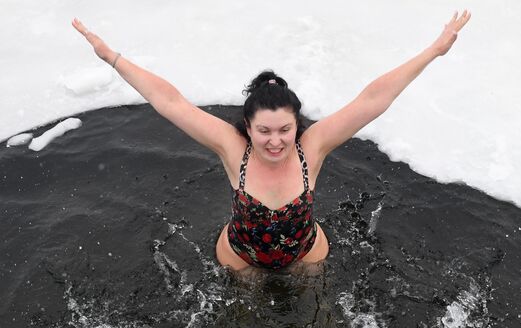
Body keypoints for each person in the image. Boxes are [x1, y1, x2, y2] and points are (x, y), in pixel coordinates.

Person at [72, 11, 471, 271]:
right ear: (247, 126)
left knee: (317, 326)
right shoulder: (233, 149)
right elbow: (170, 102)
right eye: (264, 131)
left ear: (297, 125)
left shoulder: (312, 147)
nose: (275, 142)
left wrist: (433, 51)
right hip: (241, 258)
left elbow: (372, 99)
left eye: (285, 130)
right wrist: (112, 58)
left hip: (306, 254)